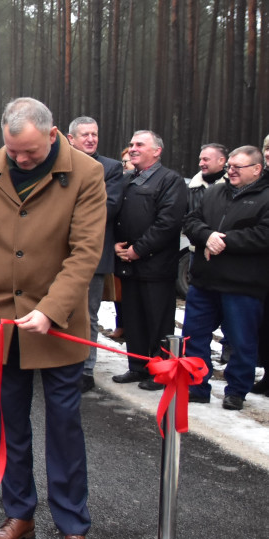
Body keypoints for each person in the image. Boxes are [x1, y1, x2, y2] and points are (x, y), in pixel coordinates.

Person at [0, 97, 105, 539]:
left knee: (64, 427)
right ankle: (18, 513)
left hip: (58, 327)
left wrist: (53, 311)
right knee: (9, 425)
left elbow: (84, 253)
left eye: (31, 153)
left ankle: (73, 526)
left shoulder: (86, 173)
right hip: (0, 323)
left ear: (53, 134)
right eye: (13, 150)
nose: (20, 160)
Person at [182, 146, 269, 410]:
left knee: (242, 341)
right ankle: (196, 385)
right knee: (194, 336)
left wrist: (223, 241)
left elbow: (263, 235)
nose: (230, 170)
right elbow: (191, 221)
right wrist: (206, 236)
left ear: (256, 169)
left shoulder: (266, 196)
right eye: (229, 165)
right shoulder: (215, 192)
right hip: (204, 281)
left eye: (237, 167)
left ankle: (237, 391)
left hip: (242, 285)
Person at [109, 131, 188, 390]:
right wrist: (116, 246)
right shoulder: (127, 179)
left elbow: (168, 223)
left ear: (157, 151)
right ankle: (137, 367)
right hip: (128, 265)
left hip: (155, 266)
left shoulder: (170, 181)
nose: (132, 149)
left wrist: (138, 250)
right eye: (131, 144)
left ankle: (161, 371)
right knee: (133, 319)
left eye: (139, 145)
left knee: (158, 321)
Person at [66, 116, 126, 393]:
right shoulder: (57, 165)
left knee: (87, 315)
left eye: (94, 134)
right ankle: (56, 362)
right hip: (54, 254)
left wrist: (62, 213)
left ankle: (86, 369)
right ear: (71, 139)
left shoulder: (111, 168)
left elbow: (108, 207)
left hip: (93, 254)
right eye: (85, 134)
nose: (91, 139)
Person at [188, 144, 229, 213]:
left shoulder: (235, 188)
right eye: (200, 159)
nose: (200, 164)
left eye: (205, 159)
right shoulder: (190, 189)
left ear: (221, 161)